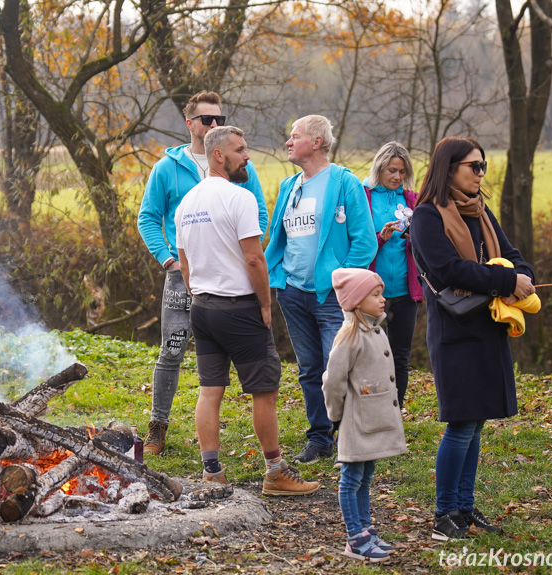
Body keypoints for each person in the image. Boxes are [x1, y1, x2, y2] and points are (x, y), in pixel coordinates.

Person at [176, 125, 319, 496]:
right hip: (238, 308)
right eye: (240, 150)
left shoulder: (187, 203)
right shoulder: (239, 199)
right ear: (219, 155)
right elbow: (254, 259)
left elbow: (184, 262)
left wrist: (198, 297)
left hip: (203, 307)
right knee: (264, 392)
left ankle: (211, 472)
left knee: (210, 391)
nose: (248, 157)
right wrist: (265, 304)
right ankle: (275, 472)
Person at [410, 136, 535, 541]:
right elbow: (448, 271)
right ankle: (444, 513)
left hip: (488, 327)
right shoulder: (427, 217)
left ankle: (463, 507)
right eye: (473, 166)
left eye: (483, 166)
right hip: (455, 331)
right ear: (450, 168)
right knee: (461, 424)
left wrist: (523, 276)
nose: (481, 173)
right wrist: (506, 279)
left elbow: (513, 255)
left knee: (476, 423)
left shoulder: (480, 211)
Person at [137, 91, 268, 456]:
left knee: (236, 361)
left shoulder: (241, 165)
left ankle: (234, 444)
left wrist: (248, 252)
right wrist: (169, 260)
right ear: (189, 123)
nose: (214, 125)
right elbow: (148, 217)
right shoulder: (167, 168)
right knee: (173, 349)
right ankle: (157, 425)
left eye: (219, 120)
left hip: (231, 276)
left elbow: (258, 210)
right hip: (184, 275)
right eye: (207, 119)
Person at [264, 115, 377, 463]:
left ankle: (352, 437)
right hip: (293, 293)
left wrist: (339, 279)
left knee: (337, 368)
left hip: (331, 296)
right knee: (310, 369)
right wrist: (277, 276)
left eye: (294, 136)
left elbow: (365, 242)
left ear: (316, 141)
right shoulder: (288, 186)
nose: (288, 142)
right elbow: (277, 238)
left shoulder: (344, 182)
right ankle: (319, 439)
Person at [323, 268, 406, 562]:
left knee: (365, 477)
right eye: (375, 294)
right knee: (351, 479)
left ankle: (366, 530)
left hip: (371, 422)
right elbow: (332, 382)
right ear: (357, 301)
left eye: (381, 293)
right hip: (355, 422)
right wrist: (336, 416)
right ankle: (355, 538)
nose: (383, 299)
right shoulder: (349, 337)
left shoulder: (375, 330)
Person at [363, 142, 422, 409]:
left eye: (401, 171)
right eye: (391, 170)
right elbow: (356, 243)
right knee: (366, 355)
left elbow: (428, 243)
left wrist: (415, 237)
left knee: (400, 356)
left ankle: (393, 413)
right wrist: (380, 238)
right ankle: (366, 410)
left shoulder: (412, 200)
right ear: (379, 168)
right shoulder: (363, 197)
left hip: (404, 292)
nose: (396, 176)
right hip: (370, 293)